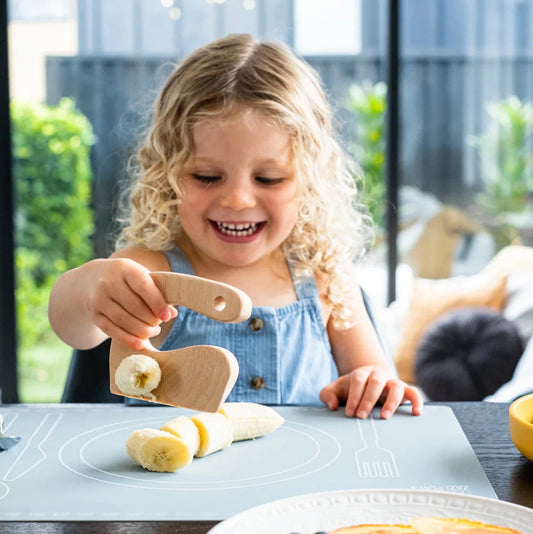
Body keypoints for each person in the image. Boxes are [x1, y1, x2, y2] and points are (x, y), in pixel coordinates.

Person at [49, 34, 423, 419]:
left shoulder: (325, 275)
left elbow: (375, 376)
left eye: (269, 179)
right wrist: (90, 288)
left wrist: (368, 385)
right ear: (168, 175)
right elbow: (74, 326)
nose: (238, 200)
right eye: (208, 177)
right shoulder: (152, 272)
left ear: (310, 182)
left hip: (309, 478)